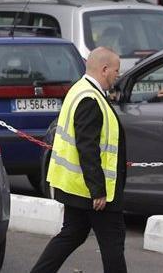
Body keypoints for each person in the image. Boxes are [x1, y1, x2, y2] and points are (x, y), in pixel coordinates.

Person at [30, 47, 128, 273]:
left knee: (72, 234)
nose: (117, 75)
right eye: (116, 71)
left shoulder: (80, 90)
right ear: (104, 70)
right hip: (95, 191)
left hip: (78, 186)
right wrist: (98, 190)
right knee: (113, 243)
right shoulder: (90, 99)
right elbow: (87, 147)